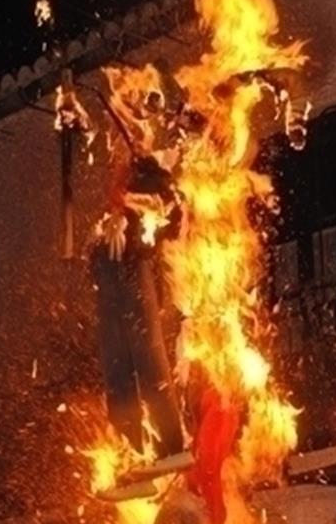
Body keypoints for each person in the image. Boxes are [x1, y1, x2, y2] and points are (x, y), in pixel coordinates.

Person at [92, 144, 194, 501]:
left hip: (134, 265)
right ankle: (131, 456)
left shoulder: (151, 173)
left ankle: (171, 445)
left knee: (146, 358)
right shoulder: (120, 184)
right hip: (109, 265)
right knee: (116, 368)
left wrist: (132, 210)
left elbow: (169, 211)